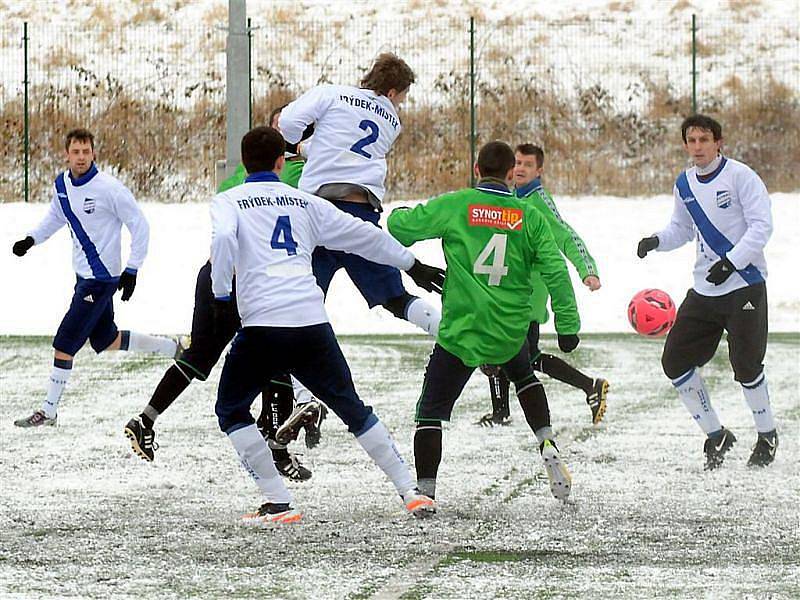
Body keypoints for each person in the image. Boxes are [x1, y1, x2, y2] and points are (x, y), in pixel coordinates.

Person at [210, 126, 442, 524]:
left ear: (243, 164)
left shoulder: (228, 200)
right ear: (283, 163)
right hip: (310, 322)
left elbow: (223, 241)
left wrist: (219, 293)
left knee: (231, 409)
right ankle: (409, 491)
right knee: (354, 409)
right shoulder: (303, 202)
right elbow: (362, 235)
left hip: (263, 326)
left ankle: (277, 501)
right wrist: (412, 265)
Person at [387, 141, 582, 504]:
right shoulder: (529, 216)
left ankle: (425, 493)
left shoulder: (458, 204)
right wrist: (568, 325)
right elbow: (556, 271)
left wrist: (399, 212)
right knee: (524, 376)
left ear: (477, 171)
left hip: (463, 329)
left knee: (430, 410)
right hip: (510, 328)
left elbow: (402, 228)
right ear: (511, 175)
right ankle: (546, 440)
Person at [637, 114, 776, 470]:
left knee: (746, 367)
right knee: (674, 361)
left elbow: (762, 226)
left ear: (718, 142)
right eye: (691, 140)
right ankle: (717, 435)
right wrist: (656, 240)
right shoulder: (684, 184)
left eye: (704, 140)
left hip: (744, 284)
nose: (697, 146)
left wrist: (732, 261)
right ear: (685, 144)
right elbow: (681, 229)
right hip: (704, 288)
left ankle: (767, 435)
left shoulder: (741, 177)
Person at [12, 128, 178, 427]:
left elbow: (139, 225)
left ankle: (48, 411)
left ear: (94, 153)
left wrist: (132, 269)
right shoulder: (62, 185)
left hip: (101, 280)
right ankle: (172, 347)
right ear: (66, 154)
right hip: (83, 276)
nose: (80, 157)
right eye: (75, 152)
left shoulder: (109, 189)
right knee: (107, 339)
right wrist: (31, 239)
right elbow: (55, 217)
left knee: (64, 342)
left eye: (85, 152)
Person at [278, 53, 441, 337]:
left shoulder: (333, 93)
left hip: (317, 212)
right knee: (396, 298)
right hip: (360, 214)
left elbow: (289, 121)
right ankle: (455, 338)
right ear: (391, 93)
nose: (400, 103)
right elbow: (346, 149)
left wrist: (296, 143)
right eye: (401, 97)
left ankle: (288, 376)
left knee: (299, 304)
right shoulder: (392, 121)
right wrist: (309, 148)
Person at [122, 260, 320, 481]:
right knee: (273, 352)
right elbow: (230, 238)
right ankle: (276, 451)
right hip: (234, 284)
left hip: (233, 281)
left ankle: (145, 420)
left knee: (210, 358)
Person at [481, 144, 608, 427]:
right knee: (520, 354)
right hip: (510, 287)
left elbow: (566, 235)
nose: (521, 168)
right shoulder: (509, 197)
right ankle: (589, 387)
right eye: (517, 163)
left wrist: (587, 270)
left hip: (530, 291)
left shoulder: (538, 200)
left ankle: (589, 386)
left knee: (505, 350)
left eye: (528, 164)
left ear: (539, 171)